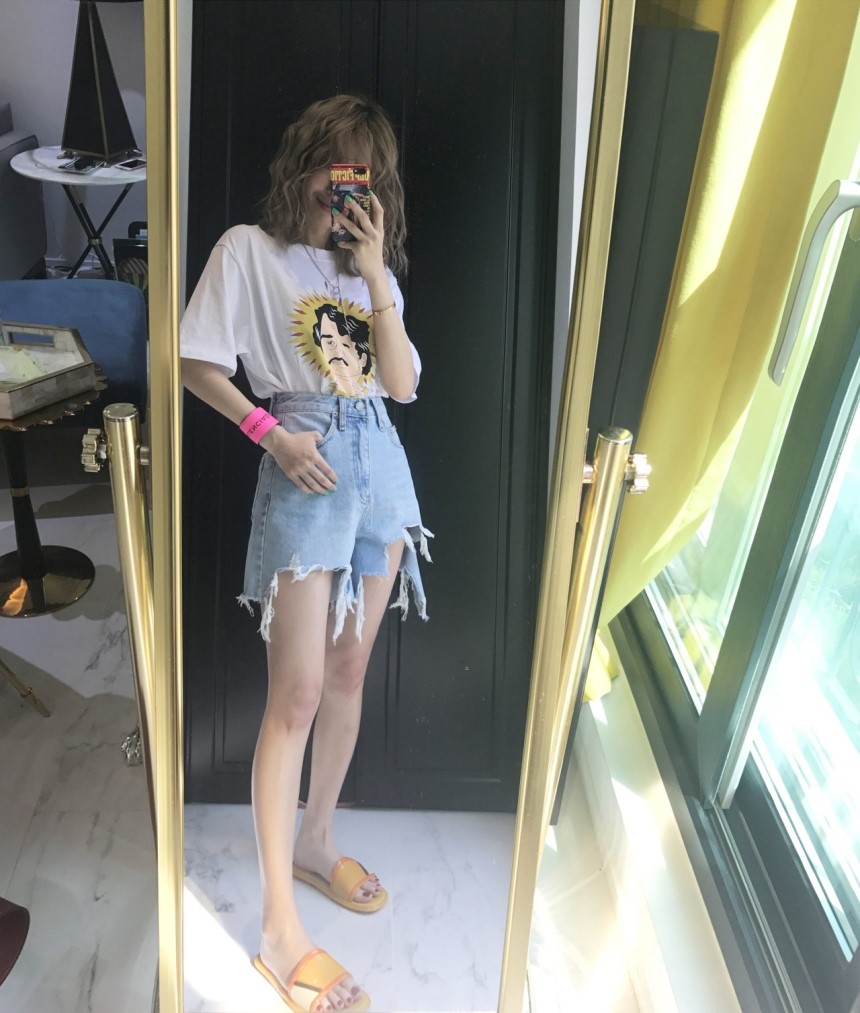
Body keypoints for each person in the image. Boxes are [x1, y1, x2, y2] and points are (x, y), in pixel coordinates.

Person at [180, 94, 431, 1013]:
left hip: (380, 467)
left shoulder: (368, 272)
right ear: (306, 162)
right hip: (304, 458)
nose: (344, 183)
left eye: (363, 169)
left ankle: (316, 837)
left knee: (351, 668)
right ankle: (278, 928)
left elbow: (399, 385)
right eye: (334, 162)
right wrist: (269, 435)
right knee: (295, 693)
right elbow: (195, 361)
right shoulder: (248, 251)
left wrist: (374, 270)